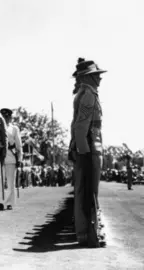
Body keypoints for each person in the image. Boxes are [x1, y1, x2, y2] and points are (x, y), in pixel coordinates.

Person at [69, 58, 106, 247]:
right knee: (89, 193)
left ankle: (87, 232)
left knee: (85, 192)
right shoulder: (89, 95)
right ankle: (89, 233)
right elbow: (81, 128)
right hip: (90, 149)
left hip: (87, 148)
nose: (100, 77)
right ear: (89, 77)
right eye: (96, 74)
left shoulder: (84, 93)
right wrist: (83, 154)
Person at [0, 108, 22, 210]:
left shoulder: (14, 128)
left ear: (10, 117)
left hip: (11, 157)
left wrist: (20, 158)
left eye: (7, 117)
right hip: (0, 157)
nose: (5, 118)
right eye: (4, 117)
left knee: (10, 182)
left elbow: (19, 145)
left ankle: (9, 203)